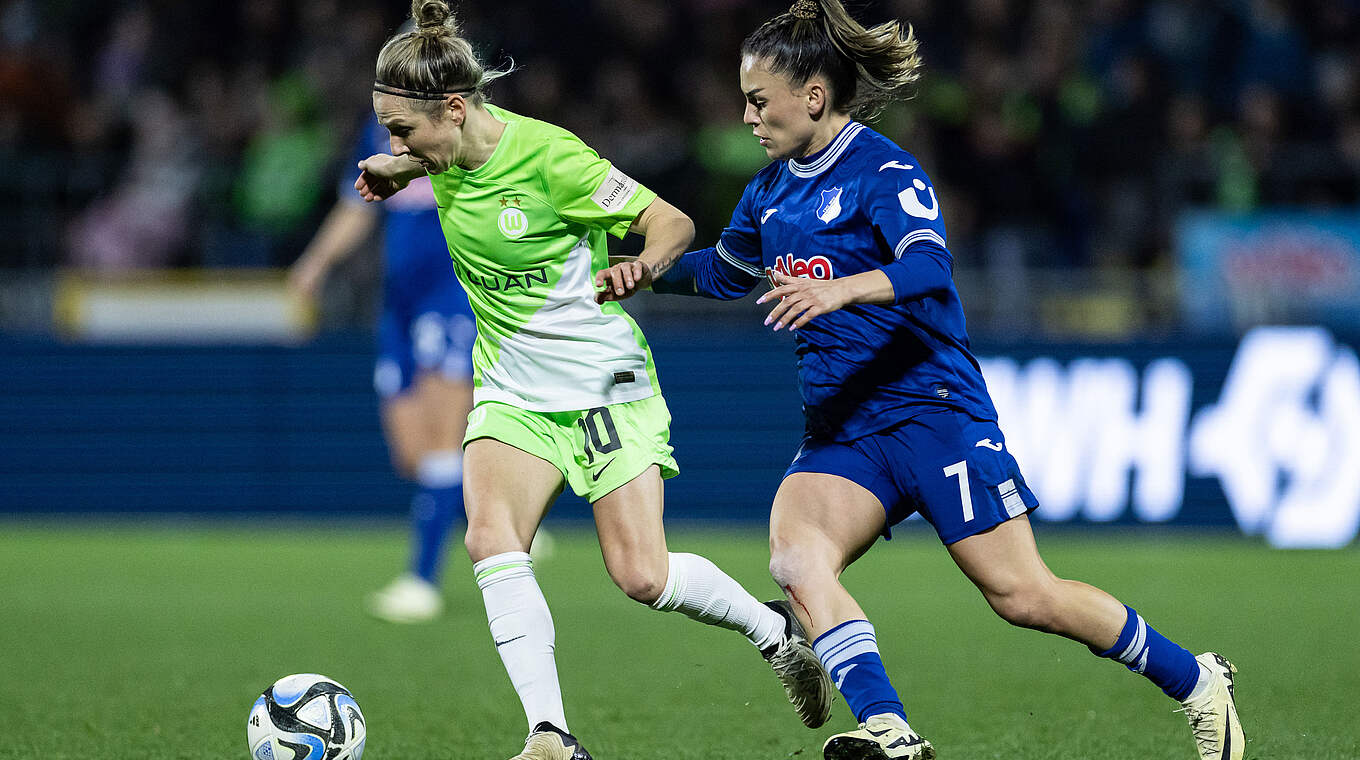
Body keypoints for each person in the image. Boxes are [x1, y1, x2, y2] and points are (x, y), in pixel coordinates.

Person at [617, 1, 1246, 759]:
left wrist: (843, 288)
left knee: (1023, 595)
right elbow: (724, 273)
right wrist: (643, 271)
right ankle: (890, 729)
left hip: (934, 410)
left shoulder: (884, 170)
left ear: (812, 96)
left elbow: (927, 264)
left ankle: (1197, 680)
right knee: (796, 556)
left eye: (757, 100)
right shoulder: (770, 192)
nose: (746, 116)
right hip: (846, 430)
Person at [354, 3, 833, 759]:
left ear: (453, 108)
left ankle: (773, 630)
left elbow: (669, 220)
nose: (393, 143)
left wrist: (643, 262)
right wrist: (399, 164)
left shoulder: (553, 161)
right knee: (490, 538)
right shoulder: (441, 152)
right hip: (513, 392)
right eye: (386, 131)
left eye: (402, 131)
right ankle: (550, 735)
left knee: (642, 575)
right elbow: (438, 157)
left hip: (604, 386)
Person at [289, 109, 474, 624]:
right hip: (398, 306)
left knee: (443, 440)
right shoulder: (380, 134)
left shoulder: (466, 131)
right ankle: (490, 497)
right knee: (412, 456)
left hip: (453, 294)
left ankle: (422, 579)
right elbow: (356, 205)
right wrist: (315, 263)